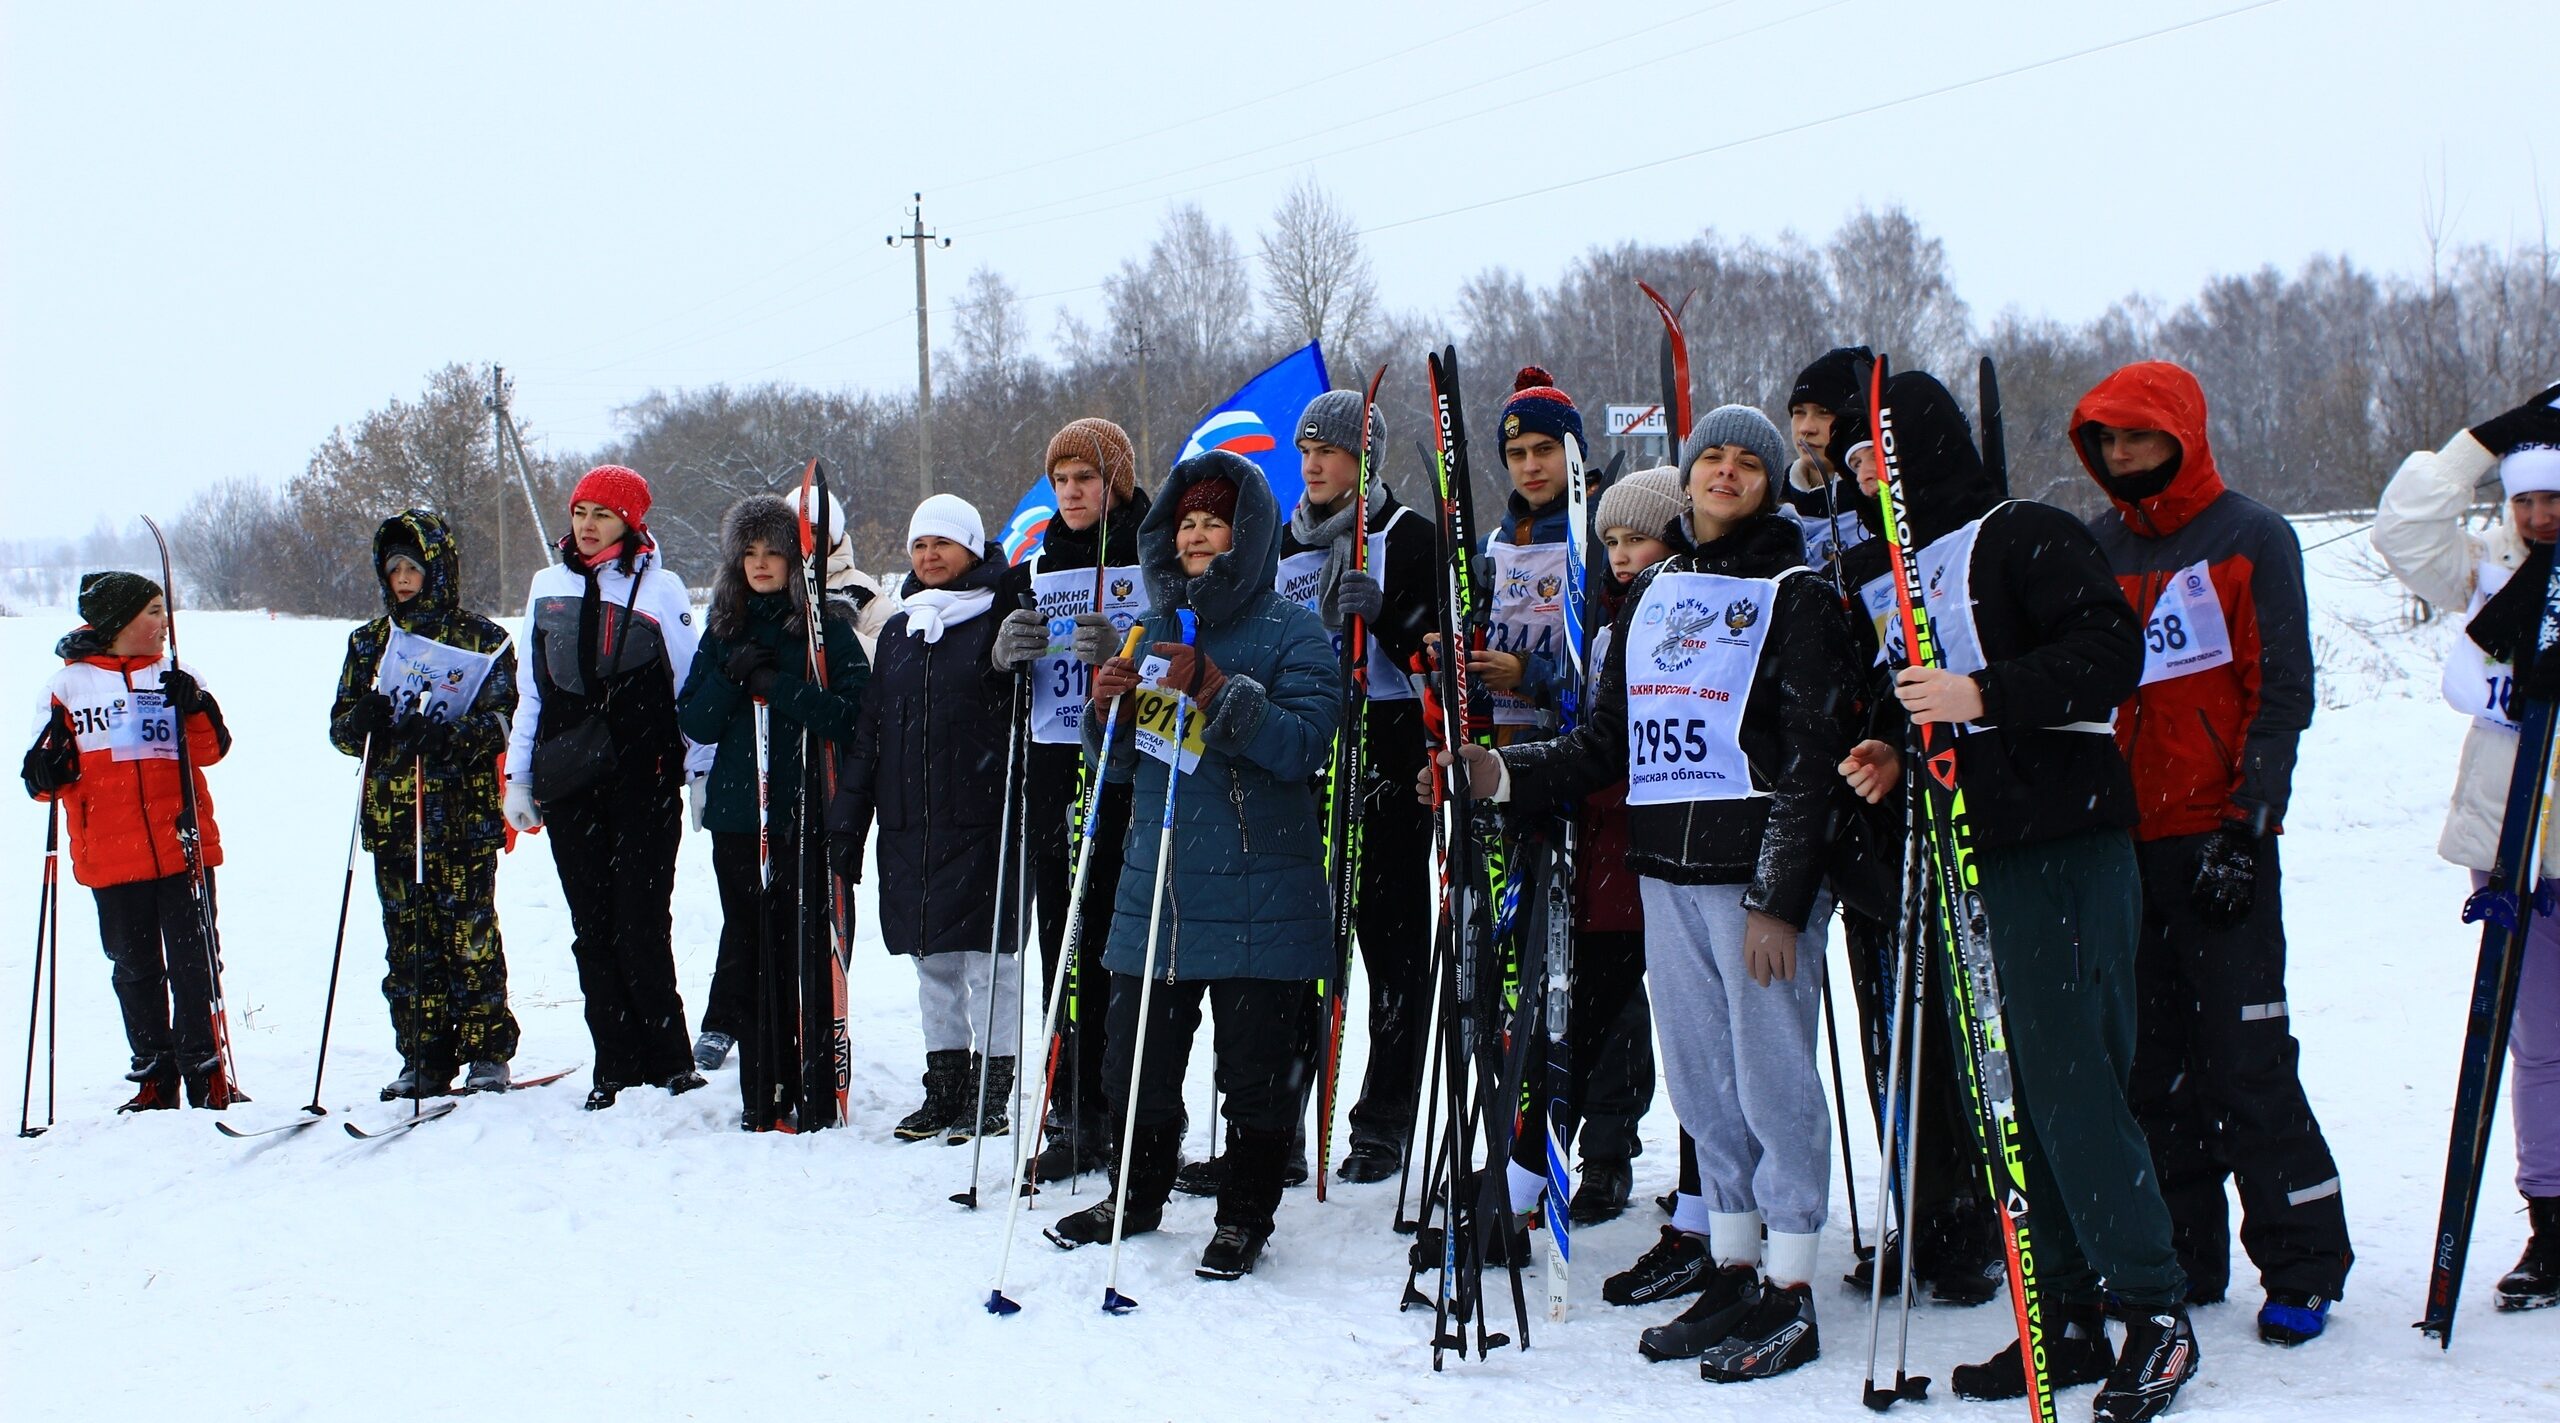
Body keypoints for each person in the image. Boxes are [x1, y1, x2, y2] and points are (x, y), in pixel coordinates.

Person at [1442, 407, 1853, 1381]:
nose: (1725, 472)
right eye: (1711, 456)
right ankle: (1735, 1265)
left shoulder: (1796, 593)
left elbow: (1812, 760)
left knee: (1773, 1081)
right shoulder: (1656, 594)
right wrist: (1500, 773)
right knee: (1705, 1083)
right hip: (1666, 873)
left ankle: (1791, 1281)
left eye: (1747, 461)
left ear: (1766, 482)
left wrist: (1780, 895)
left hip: (1752, 881)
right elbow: (1603, 744)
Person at [1834, 370, 2196, 1420]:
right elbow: (1923, 705)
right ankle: (2064, 1308)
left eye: (1876, 458)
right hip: (1964, 853)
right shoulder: (1896, 571)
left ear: (1922, 447)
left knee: (2070, 1079)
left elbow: (2109, 652)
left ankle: (2153, 1308)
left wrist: (1982, 695)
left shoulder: (2021, 531)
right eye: (1853, 468)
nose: (1868, 481)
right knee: (2000, 1090)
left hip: (2059, 842)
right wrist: (1898, 748)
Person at [2072, 360, 2351, 1345]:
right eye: (2106, 439)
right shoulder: (2098, 545)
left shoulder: (2251, 535)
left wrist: (2248, 822)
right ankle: (2184, 1251)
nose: (2121, 454)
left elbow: (2281, 688)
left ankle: (2304, 1259)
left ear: (2182, 435)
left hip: (2217, 834)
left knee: (2245, 1057)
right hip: (2121, 839)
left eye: (2138, 436)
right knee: (2149, 1065)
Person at [1042, 450, 1342, 1281]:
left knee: (1254, 1073)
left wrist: (1217, 687)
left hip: (1258, 886)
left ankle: (1244, 1214)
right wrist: (1104, 714)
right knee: (1131, 1061)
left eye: (1215, 522)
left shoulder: (1290, 627)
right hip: (1159, 882)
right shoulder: (1151, 625)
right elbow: (1123, 766)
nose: (1198, 535)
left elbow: (1307, 744)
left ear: (1247, 535)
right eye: (1187, 523)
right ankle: (1134, 1195)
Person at [2371, 379, 2560, 1315]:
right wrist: (2482, 442)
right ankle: (2553, 1222)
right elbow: (2403, 530)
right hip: (2516, 841)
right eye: (2527, 498)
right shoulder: (2491, 567)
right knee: (2539, 1044)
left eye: (2557, 497)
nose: (2541, 516)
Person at [505, 465, 709, 1111]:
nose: (588, 525)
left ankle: (670, 1059)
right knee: (591, 927)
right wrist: (518, 776)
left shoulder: (661, 588)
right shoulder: (546, 585)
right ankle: (614, 1063)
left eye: (603, 514)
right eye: (580, 511)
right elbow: (531, 690)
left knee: (641, 921)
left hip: (645, 778)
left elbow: (689, 687)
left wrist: (700, 769)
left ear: (631, 522)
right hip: (570, 780)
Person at [831, 493, 1023, 1143]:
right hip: (911, 826)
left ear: (971, 547)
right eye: (919, 544)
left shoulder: (1002, 616)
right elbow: (871, 734)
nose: (930, 555)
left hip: (984, 819)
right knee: (931, 962)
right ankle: (944, 1084)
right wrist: (849, 822)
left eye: (943, 542)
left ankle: (991, 1089)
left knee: (990, 962)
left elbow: (1023, 713)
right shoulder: (899, 631)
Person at [989, 417, 1149, 1181]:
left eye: (1086, 477)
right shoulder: (1033, 567)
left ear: (1116, 481)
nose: (1072, 492)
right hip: (1056, 773)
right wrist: (1004, 654)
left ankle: (1132, 1107)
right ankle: (1073, 1108)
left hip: (1132, 775)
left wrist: (1127, 653)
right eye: (1061, 480)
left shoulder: (1155, 552)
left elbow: (1186, 650)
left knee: (1125, 948)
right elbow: (995, 686)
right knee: (1064, 942)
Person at [680, 493, 868, 1131]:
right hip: (739, 818)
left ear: (796, 561)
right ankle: (761, 1091)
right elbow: (694, 721)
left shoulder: (823, 628)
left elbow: (852, 716)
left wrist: (781, 688)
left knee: (802, 948)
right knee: (752, 945)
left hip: (804, 814)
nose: (761, 564)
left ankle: (811, 1085)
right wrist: (731, 677)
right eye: (749, 552)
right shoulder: (723, 629)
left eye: (774, 552)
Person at [21, 571, 242, 1110]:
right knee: (135, 968)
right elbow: (44, 779)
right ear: (119, 623)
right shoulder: (67, 686)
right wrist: (44, 770)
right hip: (111, 856)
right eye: (153, 612)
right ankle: (154, 1075)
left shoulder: (176, 673)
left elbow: (212, 751)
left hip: (182, 846)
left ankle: (207, 1072)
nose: (165, 622)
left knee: (196, 962)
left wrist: (195, 704)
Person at [327, 511, 523, 1100]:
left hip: (461, 817)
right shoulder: (368, 642)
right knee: (410, 944)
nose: (404, 580)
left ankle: (487, 1052)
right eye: (394, 570)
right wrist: (360, 721)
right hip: (393, 819)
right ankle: (423, 1055)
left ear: (439, 570)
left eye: (414, 567)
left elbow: (505, 719)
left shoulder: (484, 639)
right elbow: (341, 729)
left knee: (470, 937)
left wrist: (450, 737)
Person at [1781, 344, 1876, 578]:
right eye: (1799, 412)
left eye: (1823, 412)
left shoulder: (1885, 503)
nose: (1806, 428)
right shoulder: (1770, 503)